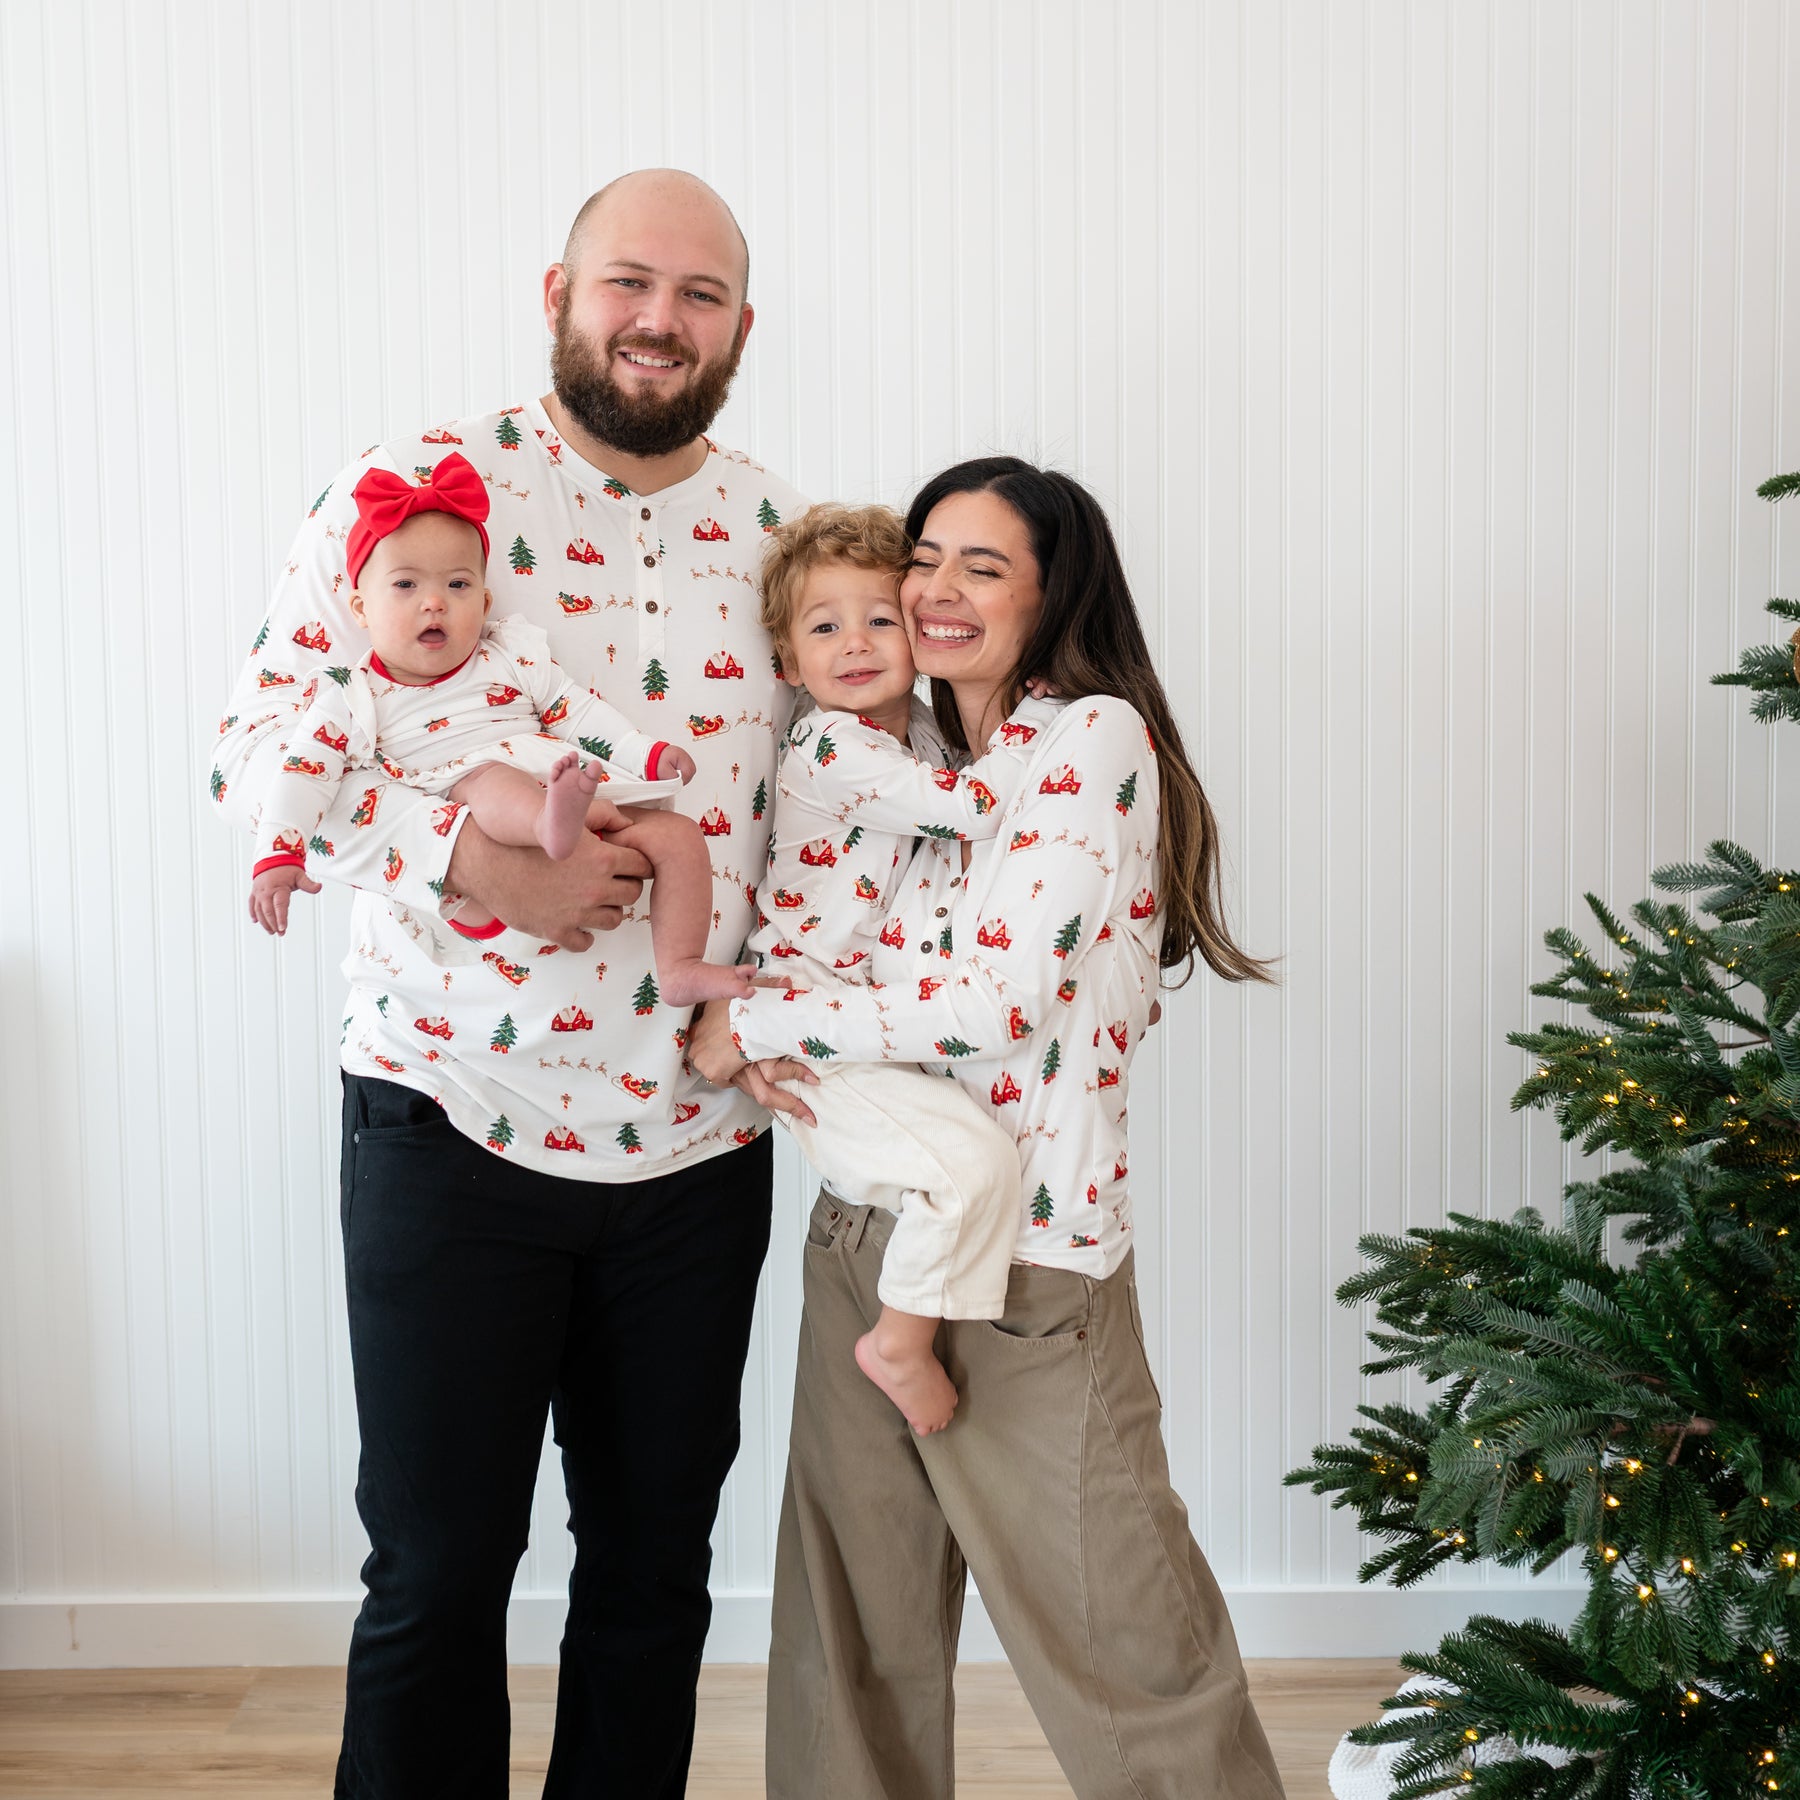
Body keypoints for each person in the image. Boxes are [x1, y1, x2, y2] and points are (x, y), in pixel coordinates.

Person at [210, 170, 813, 1798]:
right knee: (432, 1581)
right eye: (630, 281)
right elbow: (261, 755)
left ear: (740, 327)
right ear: (559, 287)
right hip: (446, 1118)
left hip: (697, 1151)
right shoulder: (419, 495)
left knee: (651, 1589)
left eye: (698, 295)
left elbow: (826, 803)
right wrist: (468, 863)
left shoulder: (781, 534)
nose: (657, 320)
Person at [691, 457, 1287, 1798]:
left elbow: (997, 1002)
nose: (939, 589)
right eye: (928, 558)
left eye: (985, 566)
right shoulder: (908, 761)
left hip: (1031, 1265)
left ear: (1051, 593)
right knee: (851, 1654)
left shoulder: (1090, 742)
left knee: (1127, 1654)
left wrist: (769, 1024)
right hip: (871, 1238)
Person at [752, 501, 1058, 1434]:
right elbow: (969, 811)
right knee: (965, 1172)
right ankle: (897, 1340)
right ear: (787, 662)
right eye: (825, 626)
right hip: (813, 1027)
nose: (854, 644)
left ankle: (907, 1327)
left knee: (974, 1161)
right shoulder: (832, 745)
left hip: (873, 1023)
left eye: (879, 619)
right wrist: (1038, 723)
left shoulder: (919, 735)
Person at [249, 452, 753, 1010]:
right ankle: (548, 823)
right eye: (406, 584)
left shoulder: (508, 656)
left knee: (678, 836)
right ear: (360, 608)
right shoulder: (350, 694)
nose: (434, 601)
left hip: (566, 783)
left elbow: (575, 709)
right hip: (472, 793)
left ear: (485, 603)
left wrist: (645, 752)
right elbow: (302, 774)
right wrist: (279, 852)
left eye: (458, 584)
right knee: (494, 781)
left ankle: (680, 966)